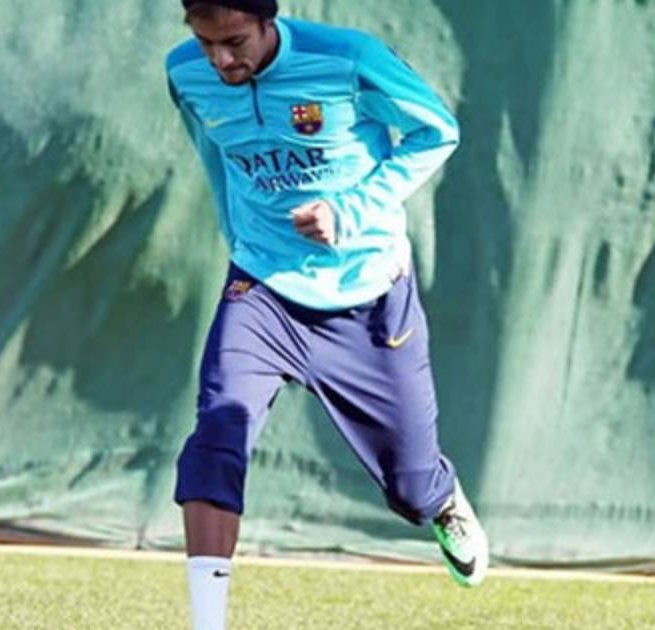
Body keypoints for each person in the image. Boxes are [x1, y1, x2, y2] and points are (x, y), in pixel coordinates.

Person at [165, 0, 489, 627]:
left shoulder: (347, 59)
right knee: (216, 437)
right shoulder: (184, 73)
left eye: (235, 42)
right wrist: (239, 238)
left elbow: (437, 131)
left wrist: (351, 210)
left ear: (268, 21)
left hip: (368, 297)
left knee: (411, 485)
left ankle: (442, 498)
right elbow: (211, 151)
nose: (221, 60)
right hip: (261, 286)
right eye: (206, 43)